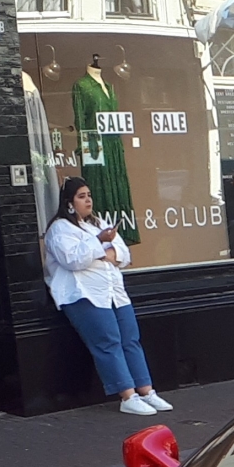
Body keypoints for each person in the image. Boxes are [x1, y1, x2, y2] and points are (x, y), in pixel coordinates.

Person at [43, 177, 168, 417]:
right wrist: (100, 244)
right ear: (69, 203)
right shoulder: (60, 229)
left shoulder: (98, 223)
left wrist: (102, 251)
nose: (88, 200)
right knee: (107, 342)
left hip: (114, 292)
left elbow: (123, 254)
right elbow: (72, 260)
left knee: (130, 339)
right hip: (84, 294)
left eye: (89, 195)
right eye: (81, 196)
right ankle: (127, 395)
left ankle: (146, 391)